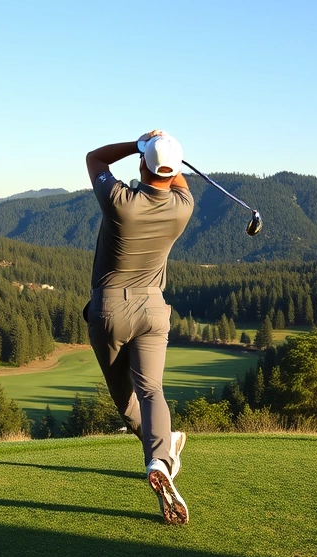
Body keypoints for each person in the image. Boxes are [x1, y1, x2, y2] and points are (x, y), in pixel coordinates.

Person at [84, 130, 193, 524]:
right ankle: (162, 455)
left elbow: (95, 158)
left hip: (110, 310)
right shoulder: (183, 207)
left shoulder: (122, 202)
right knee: (151, 390)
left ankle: (161, 452)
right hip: (153, 309)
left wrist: (139, 143)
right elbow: (176, 180)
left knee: (126, 401)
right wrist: (164, 151)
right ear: (175, 170)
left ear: (143, 165)